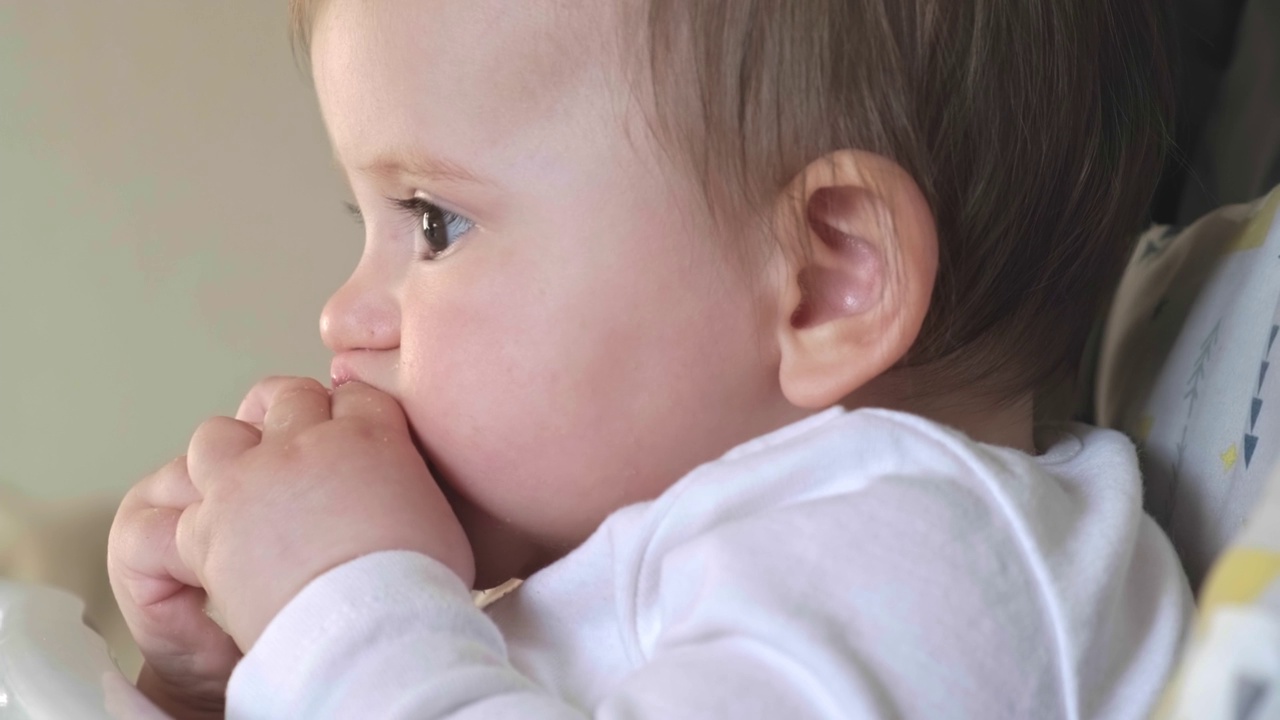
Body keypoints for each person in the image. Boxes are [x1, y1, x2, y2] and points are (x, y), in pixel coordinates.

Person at [106, 0, 1193, 717]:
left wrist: (333, 600)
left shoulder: (930, 562)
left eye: (433, 222)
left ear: (822, 278)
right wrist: (216, 680)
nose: (345, 313)